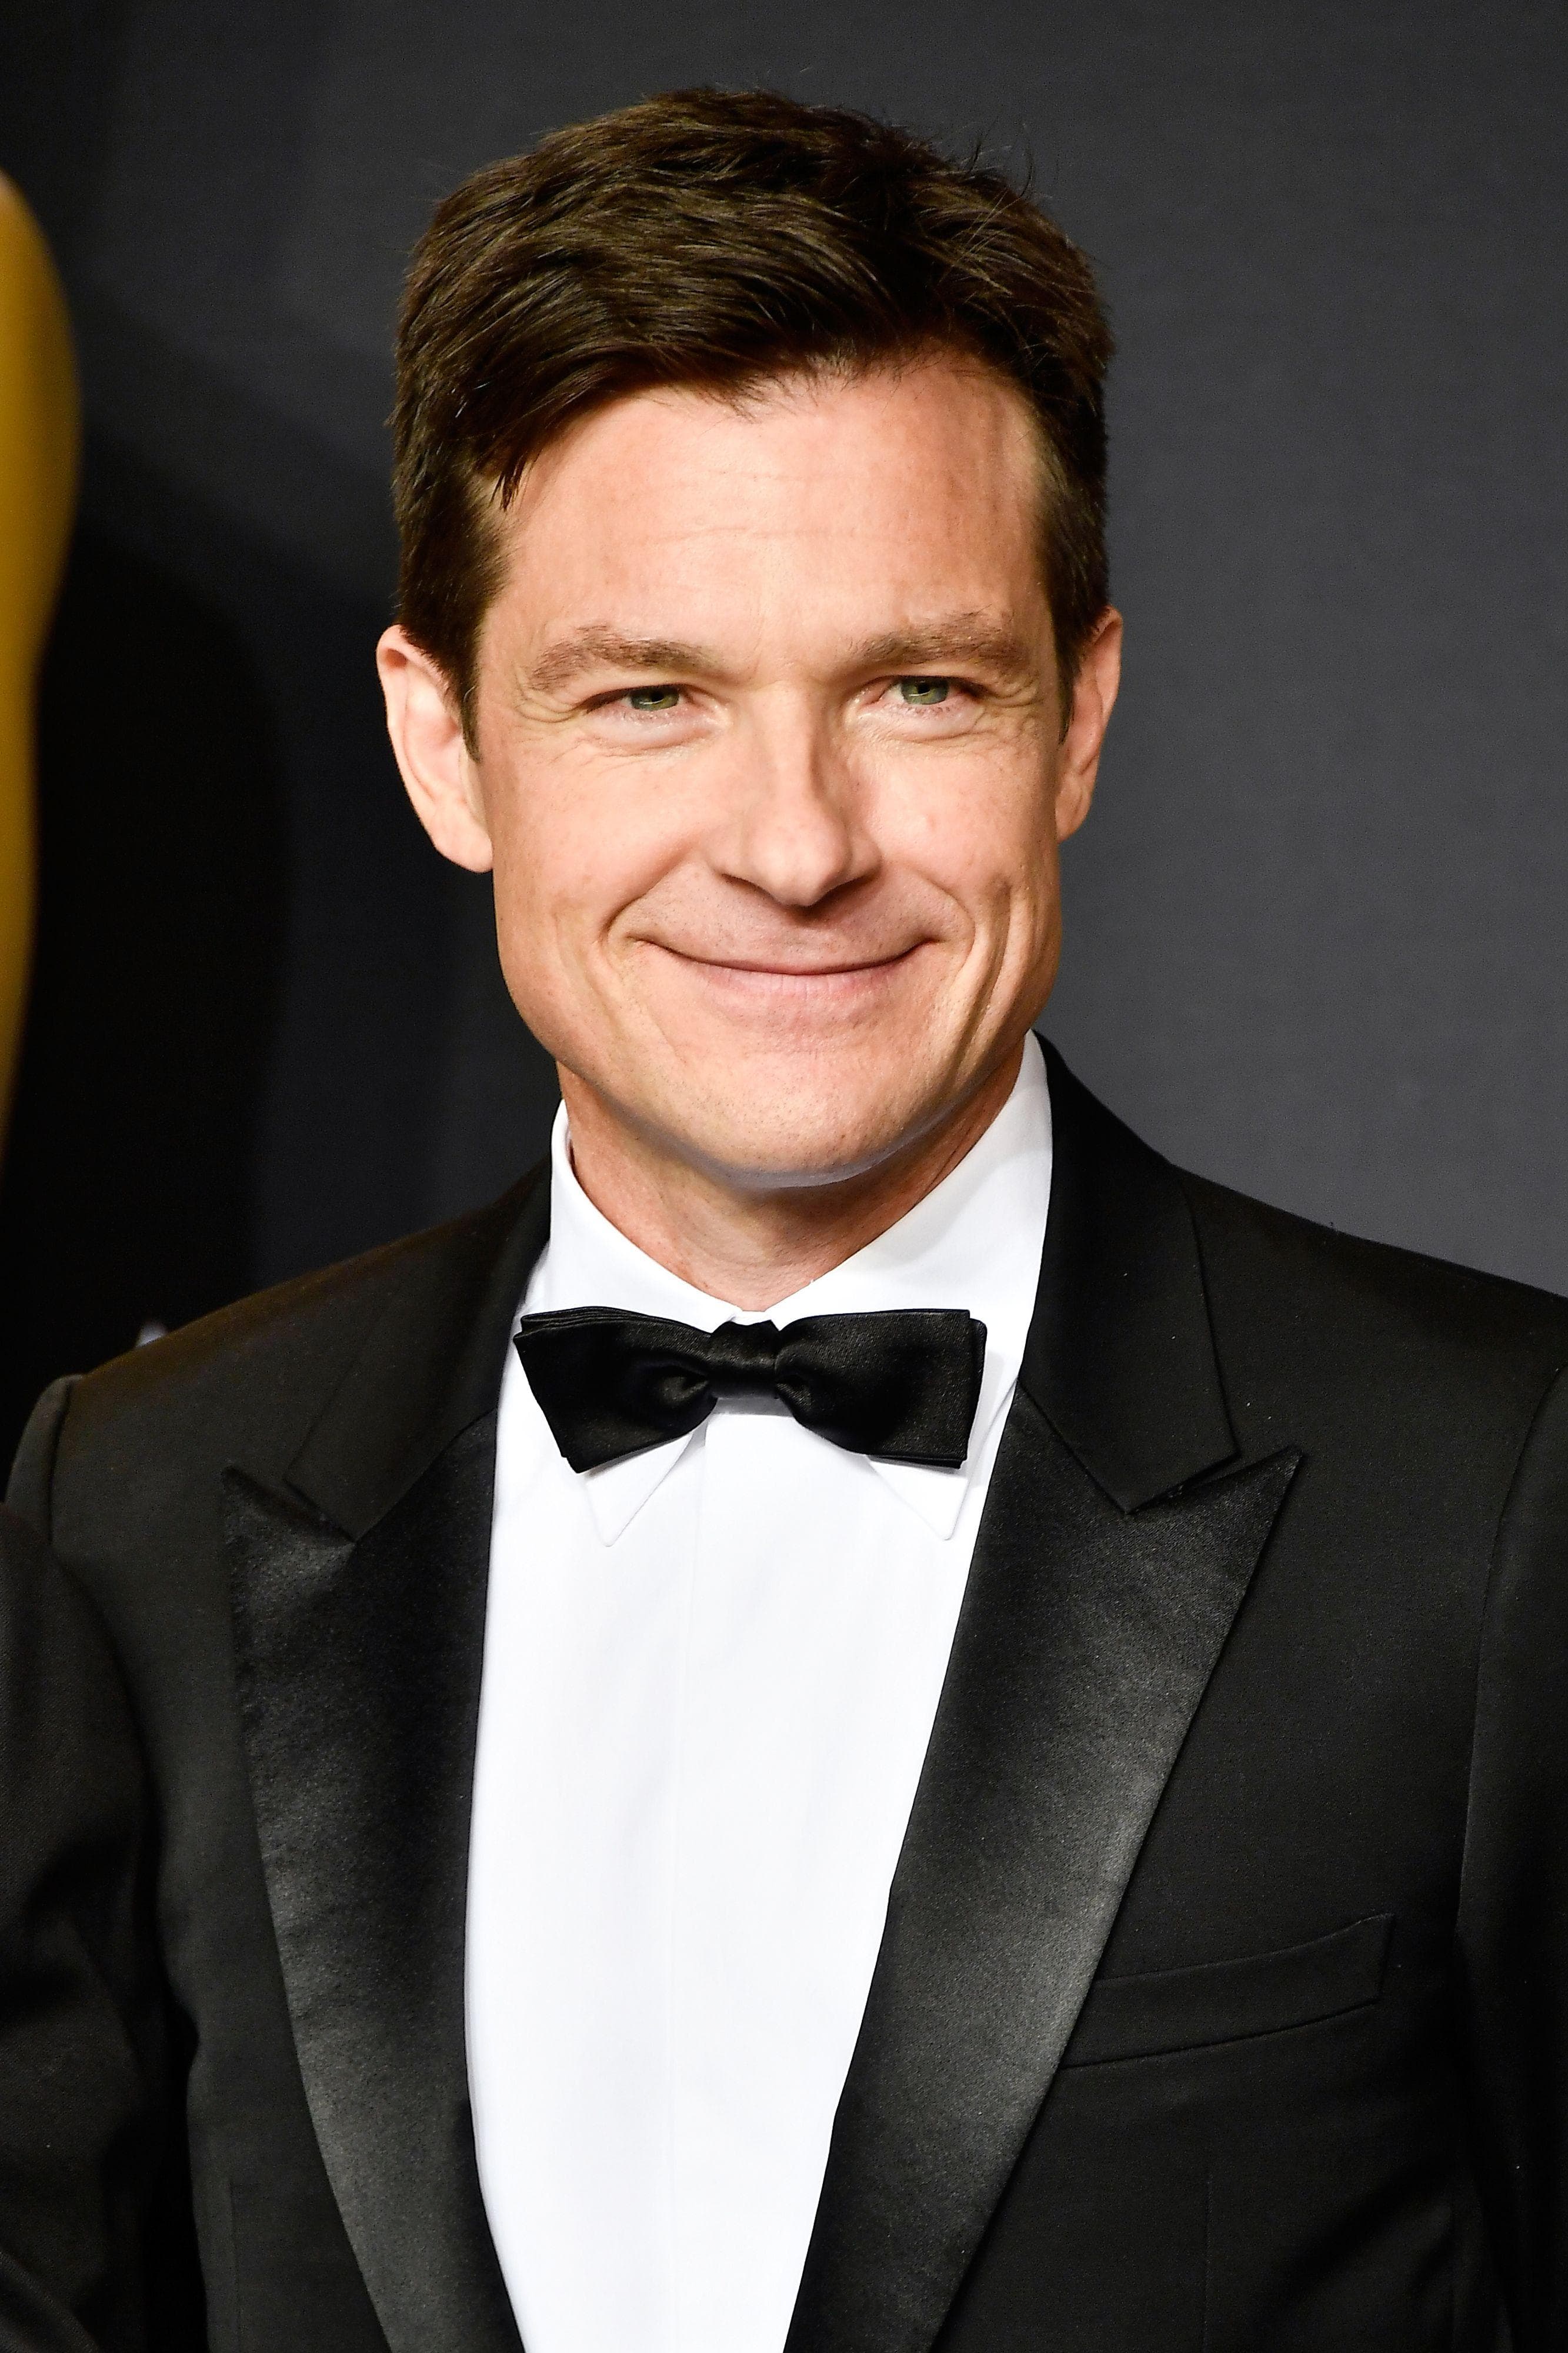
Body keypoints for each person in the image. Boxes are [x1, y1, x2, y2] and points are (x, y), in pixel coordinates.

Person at [5, 84, 1567, 2353]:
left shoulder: (1497, 1496)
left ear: (1077, 722)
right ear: (446, 747)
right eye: (649, 698)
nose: (797, 844)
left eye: (918, 690)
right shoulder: (130, 1507)